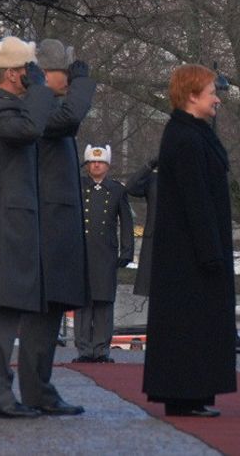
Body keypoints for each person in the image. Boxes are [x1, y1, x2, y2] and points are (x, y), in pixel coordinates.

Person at [0, 36, 53, 419]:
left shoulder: (9, 108)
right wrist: (42, 89)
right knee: (1, 311)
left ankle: (1, 398)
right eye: (29, 71)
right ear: (15, 74)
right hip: (5, 220)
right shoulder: (1, 109)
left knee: (7, 311)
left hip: (11, 219)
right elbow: (30, 129)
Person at [143, 64, 236, 418]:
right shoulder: (184, 138)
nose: (217, 99)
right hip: (189, 254)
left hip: (193, 250)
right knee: (188, 327)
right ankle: (184, 394)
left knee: (196, 326)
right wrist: (210, 251)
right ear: (192, 96)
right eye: (212, 92)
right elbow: (195, 199)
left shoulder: (193, 133)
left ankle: (193, 393)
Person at [18, 39, 94, 415]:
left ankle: (40, 388)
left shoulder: (42, 105)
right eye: (66, 71)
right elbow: (69, 120)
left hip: (55, 221)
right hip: (47, 223)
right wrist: (84, 85)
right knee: (40, 316)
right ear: (49, 74)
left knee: (47, 317)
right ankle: (36, 390)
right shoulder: (38, 105)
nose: (71, 76)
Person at [74, 144, 133, 363]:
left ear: (107, 165)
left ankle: (101, 349)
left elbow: (126, 222)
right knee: (82, 302)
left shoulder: (116, 190)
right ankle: (83, 349)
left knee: (104, 302)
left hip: (106, 254)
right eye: (92, 161)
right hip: (81, 252)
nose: (96, 165)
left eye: (100, 162)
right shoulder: (78, 186)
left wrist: (127, 250)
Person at [125, 156, 159, 297]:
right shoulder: (153, 179)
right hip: (153, 242)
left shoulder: (187, 179)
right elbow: (131, 187)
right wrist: (150, 165)